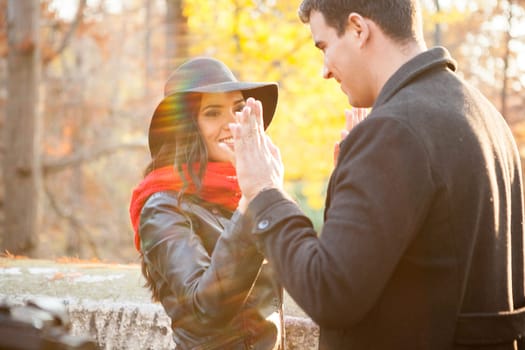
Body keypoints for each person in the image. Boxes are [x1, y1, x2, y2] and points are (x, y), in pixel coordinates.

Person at [224, 0, 525, 349]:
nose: (324, 71)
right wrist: (354, 181)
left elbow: (329, 292)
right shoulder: (485, 116)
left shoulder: (395, 130)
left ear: (357, 29)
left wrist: (264, 192)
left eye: (323, 46)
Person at [129, 57, 284, 350]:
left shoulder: (245, 189)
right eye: (213, 113)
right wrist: (252, 204)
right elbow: (206, 307)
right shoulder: (161, 206)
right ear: (188, 129)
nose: (231, 122)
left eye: (238, 108)